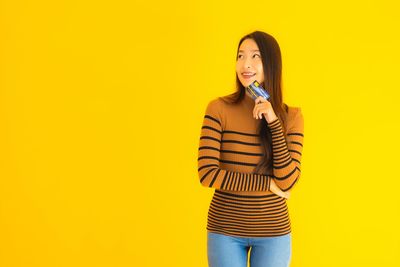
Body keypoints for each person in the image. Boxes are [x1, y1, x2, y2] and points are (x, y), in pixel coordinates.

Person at [197, 31, 304, 267]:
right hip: (224, 229)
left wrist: (273, 122)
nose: (245, 64)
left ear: (271, 64)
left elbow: (287, 182)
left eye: (255, 56)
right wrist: (266, 185)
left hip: (273, 232)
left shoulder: (292, 116)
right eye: (240, 56)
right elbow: (207, 174)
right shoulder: (218, 109)